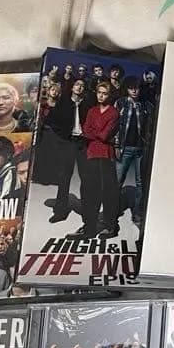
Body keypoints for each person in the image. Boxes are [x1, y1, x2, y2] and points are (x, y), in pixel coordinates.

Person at [68, 82, 120, 240]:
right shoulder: (92, 110)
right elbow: (85, 129)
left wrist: (92, 133)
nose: (101, 96)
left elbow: (104, 136)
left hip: (105, 154)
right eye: (99, 92)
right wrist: (94, 133)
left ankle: (110, 226)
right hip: (91, 153)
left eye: (104, 93)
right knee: (89, 191)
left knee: (107, 192)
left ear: (109, 95)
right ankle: (89, 227)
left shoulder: (114, 113)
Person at [43, 78, 91, 223]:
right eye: (77, 84)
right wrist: (62, 136)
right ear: (72, 87)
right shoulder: (63, 103)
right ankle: (60, 211)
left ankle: (87, 211)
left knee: (86, 177)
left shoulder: (87, 104)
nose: (79, 87)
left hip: (83, 142)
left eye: (82, 85)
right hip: (68, 142)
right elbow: (50, 121)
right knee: (64, 177)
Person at [113, 76, 151, 223]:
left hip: (140, 149)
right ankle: (113, 209)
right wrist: (116, 145)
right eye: (131, 88)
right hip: (125, 147)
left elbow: (149, 127)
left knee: (140, 183)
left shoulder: (146, 106)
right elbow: (115, 126)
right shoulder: (120, 103)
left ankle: (137, 212)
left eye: (137, 88)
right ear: (127, 89)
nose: (134, 91)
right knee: (118, 180)